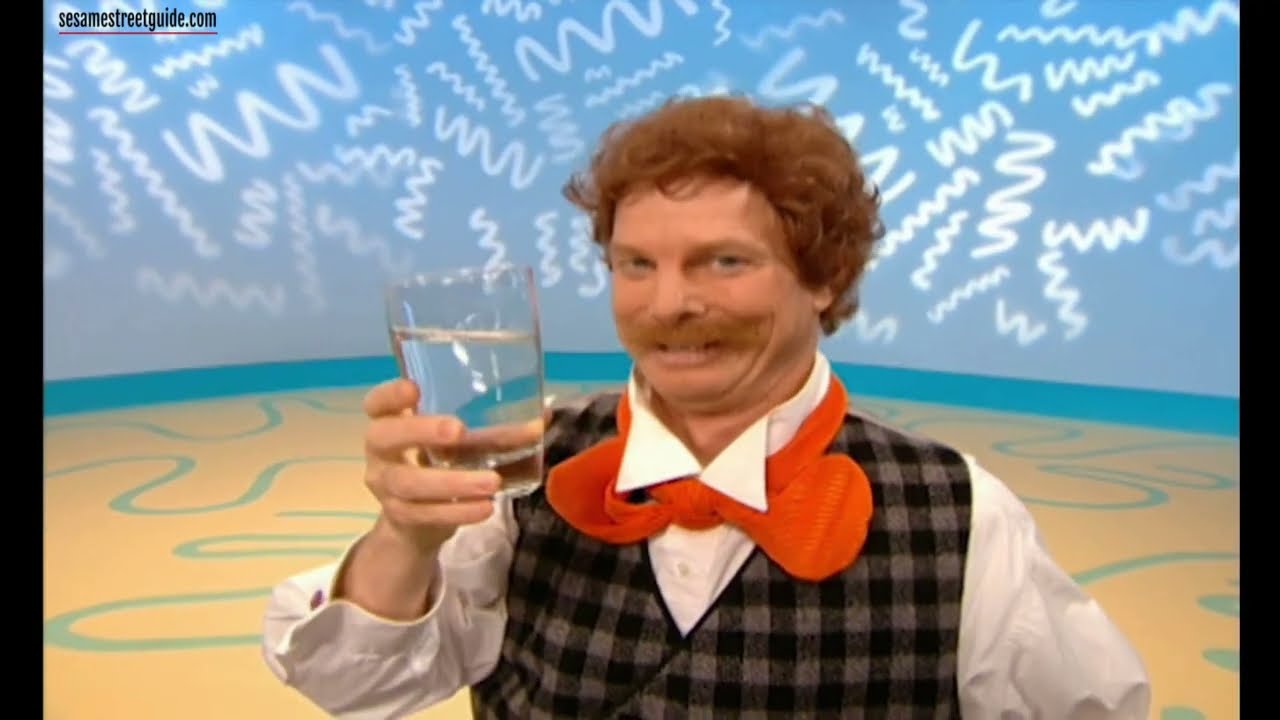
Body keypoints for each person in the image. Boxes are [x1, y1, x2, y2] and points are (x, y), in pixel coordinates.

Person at [262, 95, 1151, 718]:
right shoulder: (520, 470)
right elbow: (355, 688)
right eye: (635, 265)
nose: (668, 305)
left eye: (723, 262)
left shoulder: (961, 513)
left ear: (825, 276)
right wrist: (404, 537)